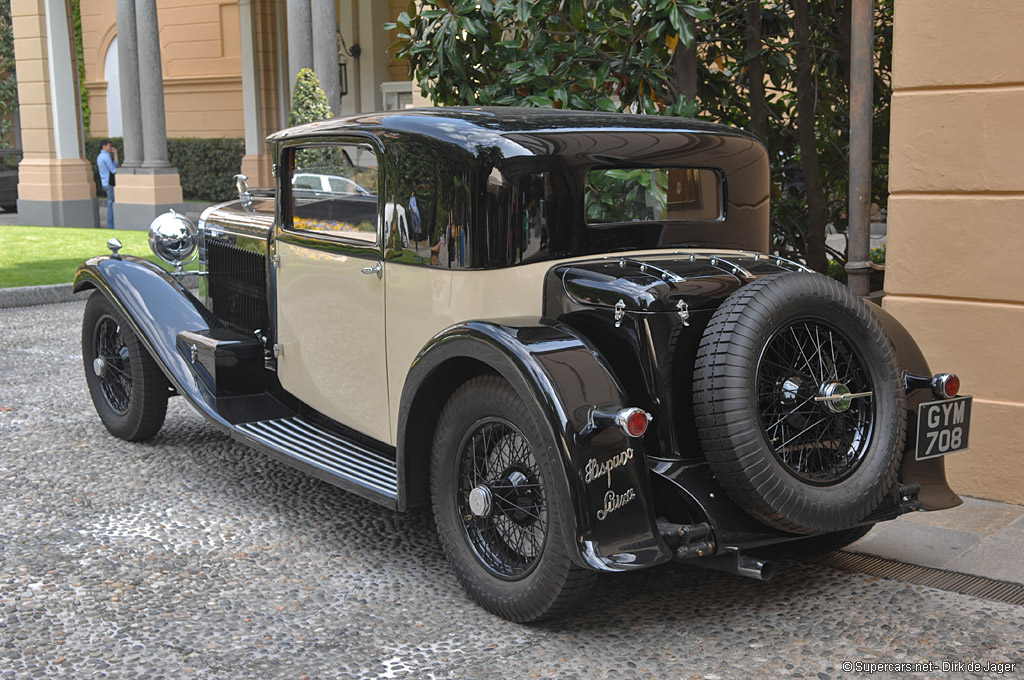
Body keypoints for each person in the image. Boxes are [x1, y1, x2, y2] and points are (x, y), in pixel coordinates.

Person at [96, 140, 118, 229]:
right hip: (109, 183)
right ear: (104, 146)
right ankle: (111, 225)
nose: (110, 147)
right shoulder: (105, 157)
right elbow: (113, 169)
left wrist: (115, 154)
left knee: (110, 203)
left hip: (105, 182)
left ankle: (111, 224)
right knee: (110, 204)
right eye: (109, 146)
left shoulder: (101, 156)